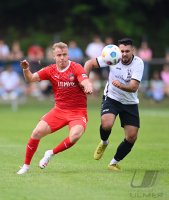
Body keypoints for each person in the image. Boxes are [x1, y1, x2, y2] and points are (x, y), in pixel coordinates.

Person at [17, 42, 93, 175]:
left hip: (77, 112)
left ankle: (50, 153)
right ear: (54, 56)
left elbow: (84, 80)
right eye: (59, 55)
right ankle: (25, 166)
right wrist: (25, 69)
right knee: (36, 133)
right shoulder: (50, 70)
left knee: (75, 136)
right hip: (59, 110)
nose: (62, 57)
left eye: (64, 54)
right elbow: (30, 79)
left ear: (68, 54)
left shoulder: (76, 67)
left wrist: (88, 85)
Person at [84, 38, 144, 170]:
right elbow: (89, 63)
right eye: (122, 51)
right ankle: (104, 142)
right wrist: (86, 82)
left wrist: (121, 85)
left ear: (132, 51)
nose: (124, 54)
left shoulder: (138, 63)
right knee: (106, 124)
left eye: (127, 51)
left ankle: (113, 162)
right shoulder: (113, 56)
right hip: (112, 97)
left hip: (130, 102)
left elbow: (133, 87)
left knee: (132, 137)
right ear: (117, 50)